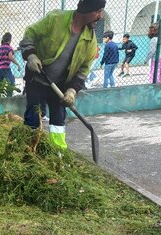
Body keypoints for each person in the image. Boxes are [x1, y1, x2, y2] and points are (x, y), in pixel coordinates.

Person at [19, 0, 104, 151]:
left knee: (58, 122)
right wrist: (30, 55)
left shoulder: (90, 41)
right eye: (98, 11)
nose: (100, 16)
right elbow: (30, 33)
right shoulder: (56, 19)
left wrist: (72, 91)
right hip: (37, 78)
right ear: (87, 9)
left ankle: (58, 154)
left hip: (60, 86)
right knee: (33, 117)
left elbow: (83, 70)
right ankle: (28, 152)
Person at [0, 32, 21, 97]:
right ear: (10, 40)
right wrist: (17, 64)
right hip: (6, 68)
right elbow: (10, 57)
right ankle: (9, 97)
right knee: (11, 82)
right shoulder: (9, 48)